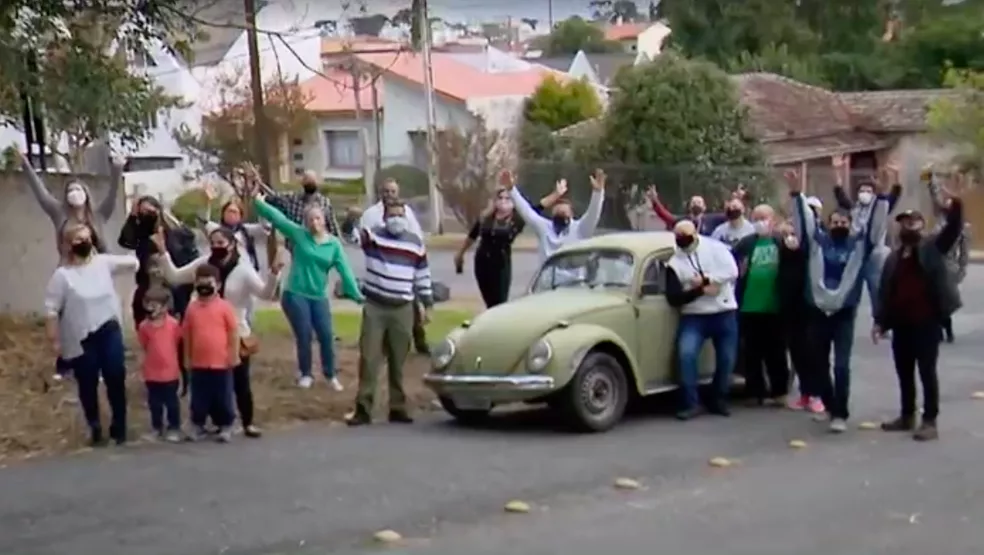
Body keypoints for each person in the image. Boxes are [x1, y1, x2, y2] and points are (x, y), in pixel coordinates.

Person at [787, 168, 890, 433]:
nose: (839, 225)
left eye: (844, 222)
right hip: (817, 312)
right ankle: (831, 406)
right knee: (819, 364)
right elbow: (803, 223)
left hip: (844, 312)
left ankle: (840, 414)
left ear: (849, 224)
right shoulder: (817, 243)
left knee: (842, 365)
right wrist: (796, 192)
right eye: (834, 222)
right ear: (829, 224)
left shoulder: (859, 245)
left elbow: (876, 226)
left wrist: (882, 194)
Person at [156, 227, 281, 438]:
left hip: (236, 331)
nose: (216, 247)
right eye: (212, 242)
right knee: (209, 382)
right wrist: (162, 252)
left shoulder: (243, 269)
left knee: (239, 381)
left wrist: (274, 274)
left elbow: (265, 293)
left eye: (221, 243)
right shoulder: (203, 265)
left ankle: (247, 422)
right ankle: (216, 422)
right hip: (206, 330)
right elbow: (175, 277)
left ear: (232, 245)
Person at [873, 191, 964, 441]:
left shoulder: (932, 248)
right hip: (901, 325)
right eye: (905, 222)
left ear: (922, 226)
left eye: (914, 222)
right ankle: (906, 415)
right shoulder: (894, 257)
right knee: (904, 372)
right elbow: (885, 292)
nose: (909, 225)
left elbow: (953, 229)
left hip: (926, 323)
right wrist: (880, 322)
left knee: (926, 372)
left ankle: (930, 420)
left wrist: (955, 204)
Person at [253, 189, 364, 390]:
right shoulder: (299, 234)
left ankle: (330, 376)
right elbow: (278, 218)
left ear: (324, 220)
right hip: (295, 294)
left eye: (318, 219)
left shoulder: (333, 245)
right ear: (306, 222)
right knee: (304, 334)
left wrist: (355, 294)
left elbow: (345, 271)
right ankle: (306, 374)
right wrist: (259, 203)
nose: (314, 223)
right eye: (311, 220)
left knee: (326, 335)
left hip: (318, 296)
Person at [44, 223, 140, 446]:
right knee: (87, 382)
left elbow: (133, 263)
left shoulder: (103, 263)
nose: (84, 242)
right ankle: (94, 425)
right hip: (81, 336)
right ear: (68, 245)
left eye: (87, 238)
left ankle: (120, 425)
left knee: (115, 375)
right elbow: (51, 309)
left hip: (108, 329)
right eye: (78, 239)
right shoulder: (62, 276)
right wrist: (55, 339)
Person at [347, 200, 434, 426]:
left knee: (399, 359)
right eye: (392, 215)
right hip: (376, 305)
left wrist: (427, 302)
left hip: (402, 307)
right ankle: (364, 408)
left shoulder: (415, 243)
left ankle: (397, 407)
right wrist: (351, 219)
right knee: (369, 357)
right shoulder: (374, 236)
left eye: (400, 215)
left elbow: (422, 275)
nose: (396, 220)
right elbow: (352, 237)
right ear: (384, 218)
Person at [664, 220, 740, 420]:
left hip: (723, 311)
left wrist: (707, 279)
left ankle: (719, 398)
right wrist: (699, 291)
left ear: (695, 233)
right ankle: (690, 403)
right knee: (686, 354)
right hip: (694, 315)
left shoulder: (715, 248)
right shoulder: (674, 262)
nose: (682, 238)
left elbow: (732, 271)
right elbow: (673, 297)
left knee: (726, 358)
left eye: (685, 234)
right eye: (678, 235)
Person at [344, 178, 428, 354]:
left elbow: (417, 237)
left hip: (406, 265)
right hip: (381, 266)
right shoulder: (371, 214)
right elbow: (358, 238)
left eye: (393, 191)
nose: (389, 194)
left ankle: (418, 341)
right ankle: (380, 344)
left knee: (411, 308)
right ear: (380, 193)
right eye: (386, 191)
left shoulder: (407, 212)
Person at [732, 205, 790, 406]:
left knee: (777, 352)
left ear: (772, 219)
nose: (759, 221)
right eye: (755, 218)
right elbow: (732, 267)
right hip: (749, 305)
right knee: (751, 352)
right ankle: (754, 391)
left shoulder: (781, 242)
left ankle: (779, 392)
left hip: (775, 306)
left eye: (763, 217)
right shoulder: (745, 244)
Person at [18, 149, 124, 259]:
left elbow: (112, 195)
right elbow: (41, 194)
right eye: (70, 190)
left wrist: (117, 169)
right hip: (70, 266)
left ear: (86, 194)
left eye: (78, 190)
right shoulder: (59, 213)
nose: (74, 193)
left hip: (98, 266)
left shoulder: (98, 216)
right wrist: (26, 165)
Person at [831, 155, 902, 315]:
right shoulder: (853, 209)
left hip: (874, 256)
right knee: (849, 288)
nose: (865, 193)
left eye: (868, 191)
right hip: (855, 254)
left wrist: (896, 175)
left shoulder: (881, 208)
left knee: (877, 289)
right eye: (862, 190)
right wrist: (838, 171)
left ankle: (880, 321)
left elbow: (895, 194)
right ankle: (846, 316)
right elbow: (839, 193)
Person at [118, 195, 200, 326]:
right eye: (142, 211)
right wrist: (132, 216)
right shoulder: (141, 234)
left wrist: (163, 250)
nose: (146, 215)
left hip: (173, 287)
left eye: (150, 211)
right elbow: (126, 241)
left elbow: (183, 257)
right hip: (148, 284)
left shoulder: (174, 232)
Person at [182, 264, 239, 443]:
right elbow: (187, 334)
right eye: (200, 283)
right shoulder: (191, 309)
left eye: (209, 283)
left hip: (221, 362)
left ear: (219, 285)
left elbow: (233, 332)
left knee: (223, 395)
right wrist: (187, 357)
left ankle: (226, 424)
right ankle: (198, 424)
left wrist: (233, 354)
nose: (204, 287)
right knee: (199, 396)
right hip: (199, 363)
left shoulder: (225, 307)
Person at [774, 220, 824, 413]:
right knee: (797, 354)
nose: (790, 238)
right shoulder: (783, 253)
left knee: (813, 354)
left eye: (794, 234)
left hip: (809, 309)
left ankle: (817, 394)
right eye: (787, 234)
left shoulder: (808, 254)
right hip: (789, 310)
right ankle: (805, 394)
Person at [502, 169, 605, 263]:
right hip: (547, 281)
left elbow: (593, 214)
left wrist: (598, 193)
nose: (560, 208)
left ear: (571, 214)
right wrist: (511, 190)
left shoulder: (580, 229)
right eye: (557, 207)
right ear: (551, 212)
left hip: (572, 281)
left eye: (564, 209)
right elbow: (526, 211)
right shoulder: (544, 227)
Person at [454, 188, 526, 308]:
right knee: (489, 299)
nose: (503, 201)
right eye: (500, 197)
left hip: (501, 262)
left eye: (507, 198)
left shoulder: (517, 219)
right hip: (483, 260)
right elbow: (472, 235)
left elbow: (537, 209)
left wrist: (555, 195)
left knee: (500, 300)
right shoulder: (486, 218)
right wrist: (460, 253)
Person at [925, 168, 970, 343]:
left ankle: (947, 329)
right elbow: (936, 200)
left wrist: (961, 271)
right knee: (933, 298)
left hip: (949, 267)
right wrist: (932, 182)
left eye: (950, 203)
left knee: (944, 300)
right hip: (933, 263)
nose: (946, 204)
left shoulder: (960, 227)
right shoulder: (940, 220)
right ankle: (937, 330)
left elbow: (964, 253)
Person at [137, 287, 183, 443]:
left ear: (164, 307)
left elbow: (177, 342)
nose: (151, 308)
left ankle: (174, 427)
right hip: (152, 373)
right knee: (154, 403)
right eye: (149, 304)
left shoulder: (173, 325)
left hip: (170, 373)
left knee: (172, 402)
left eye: (155, 305)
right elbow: (144, 345)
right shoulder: (144, 327)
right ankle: (157, 428)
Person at [259, 169, 340, 250]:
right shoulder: (293, 200)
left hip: (319, 248)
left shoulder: (325, 202)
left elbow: (333, 227)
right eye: (307, 180)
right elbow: (275, 196)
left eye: (312, 181)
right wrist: (260, 183)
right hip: (297, 247)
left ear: (317, 182)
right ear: (302, 183)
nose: (310, 183)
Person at [205, 199, 269, 271]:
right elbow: (204, 221)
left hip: (244, 268)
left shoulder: (246, 230)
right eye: (229, 211)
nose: (231, 215)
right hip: (221, 268)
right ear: (223, 214)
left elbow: (265, 227)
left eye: (234, 212)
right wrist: (207, 202)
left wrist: (261, 207)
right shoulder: (216, 229)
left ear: (240, 216)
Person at [647, 187, 731, 236]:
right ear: (689, 206)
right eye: (694, 202)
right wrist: (655, 201)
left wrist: (736, 201)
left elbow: (731, 215)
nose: (696, 204)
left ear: (704, 207)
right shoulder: (683, 220)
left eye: (699, 202)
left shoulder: (712, 219)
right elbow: (666, 216)